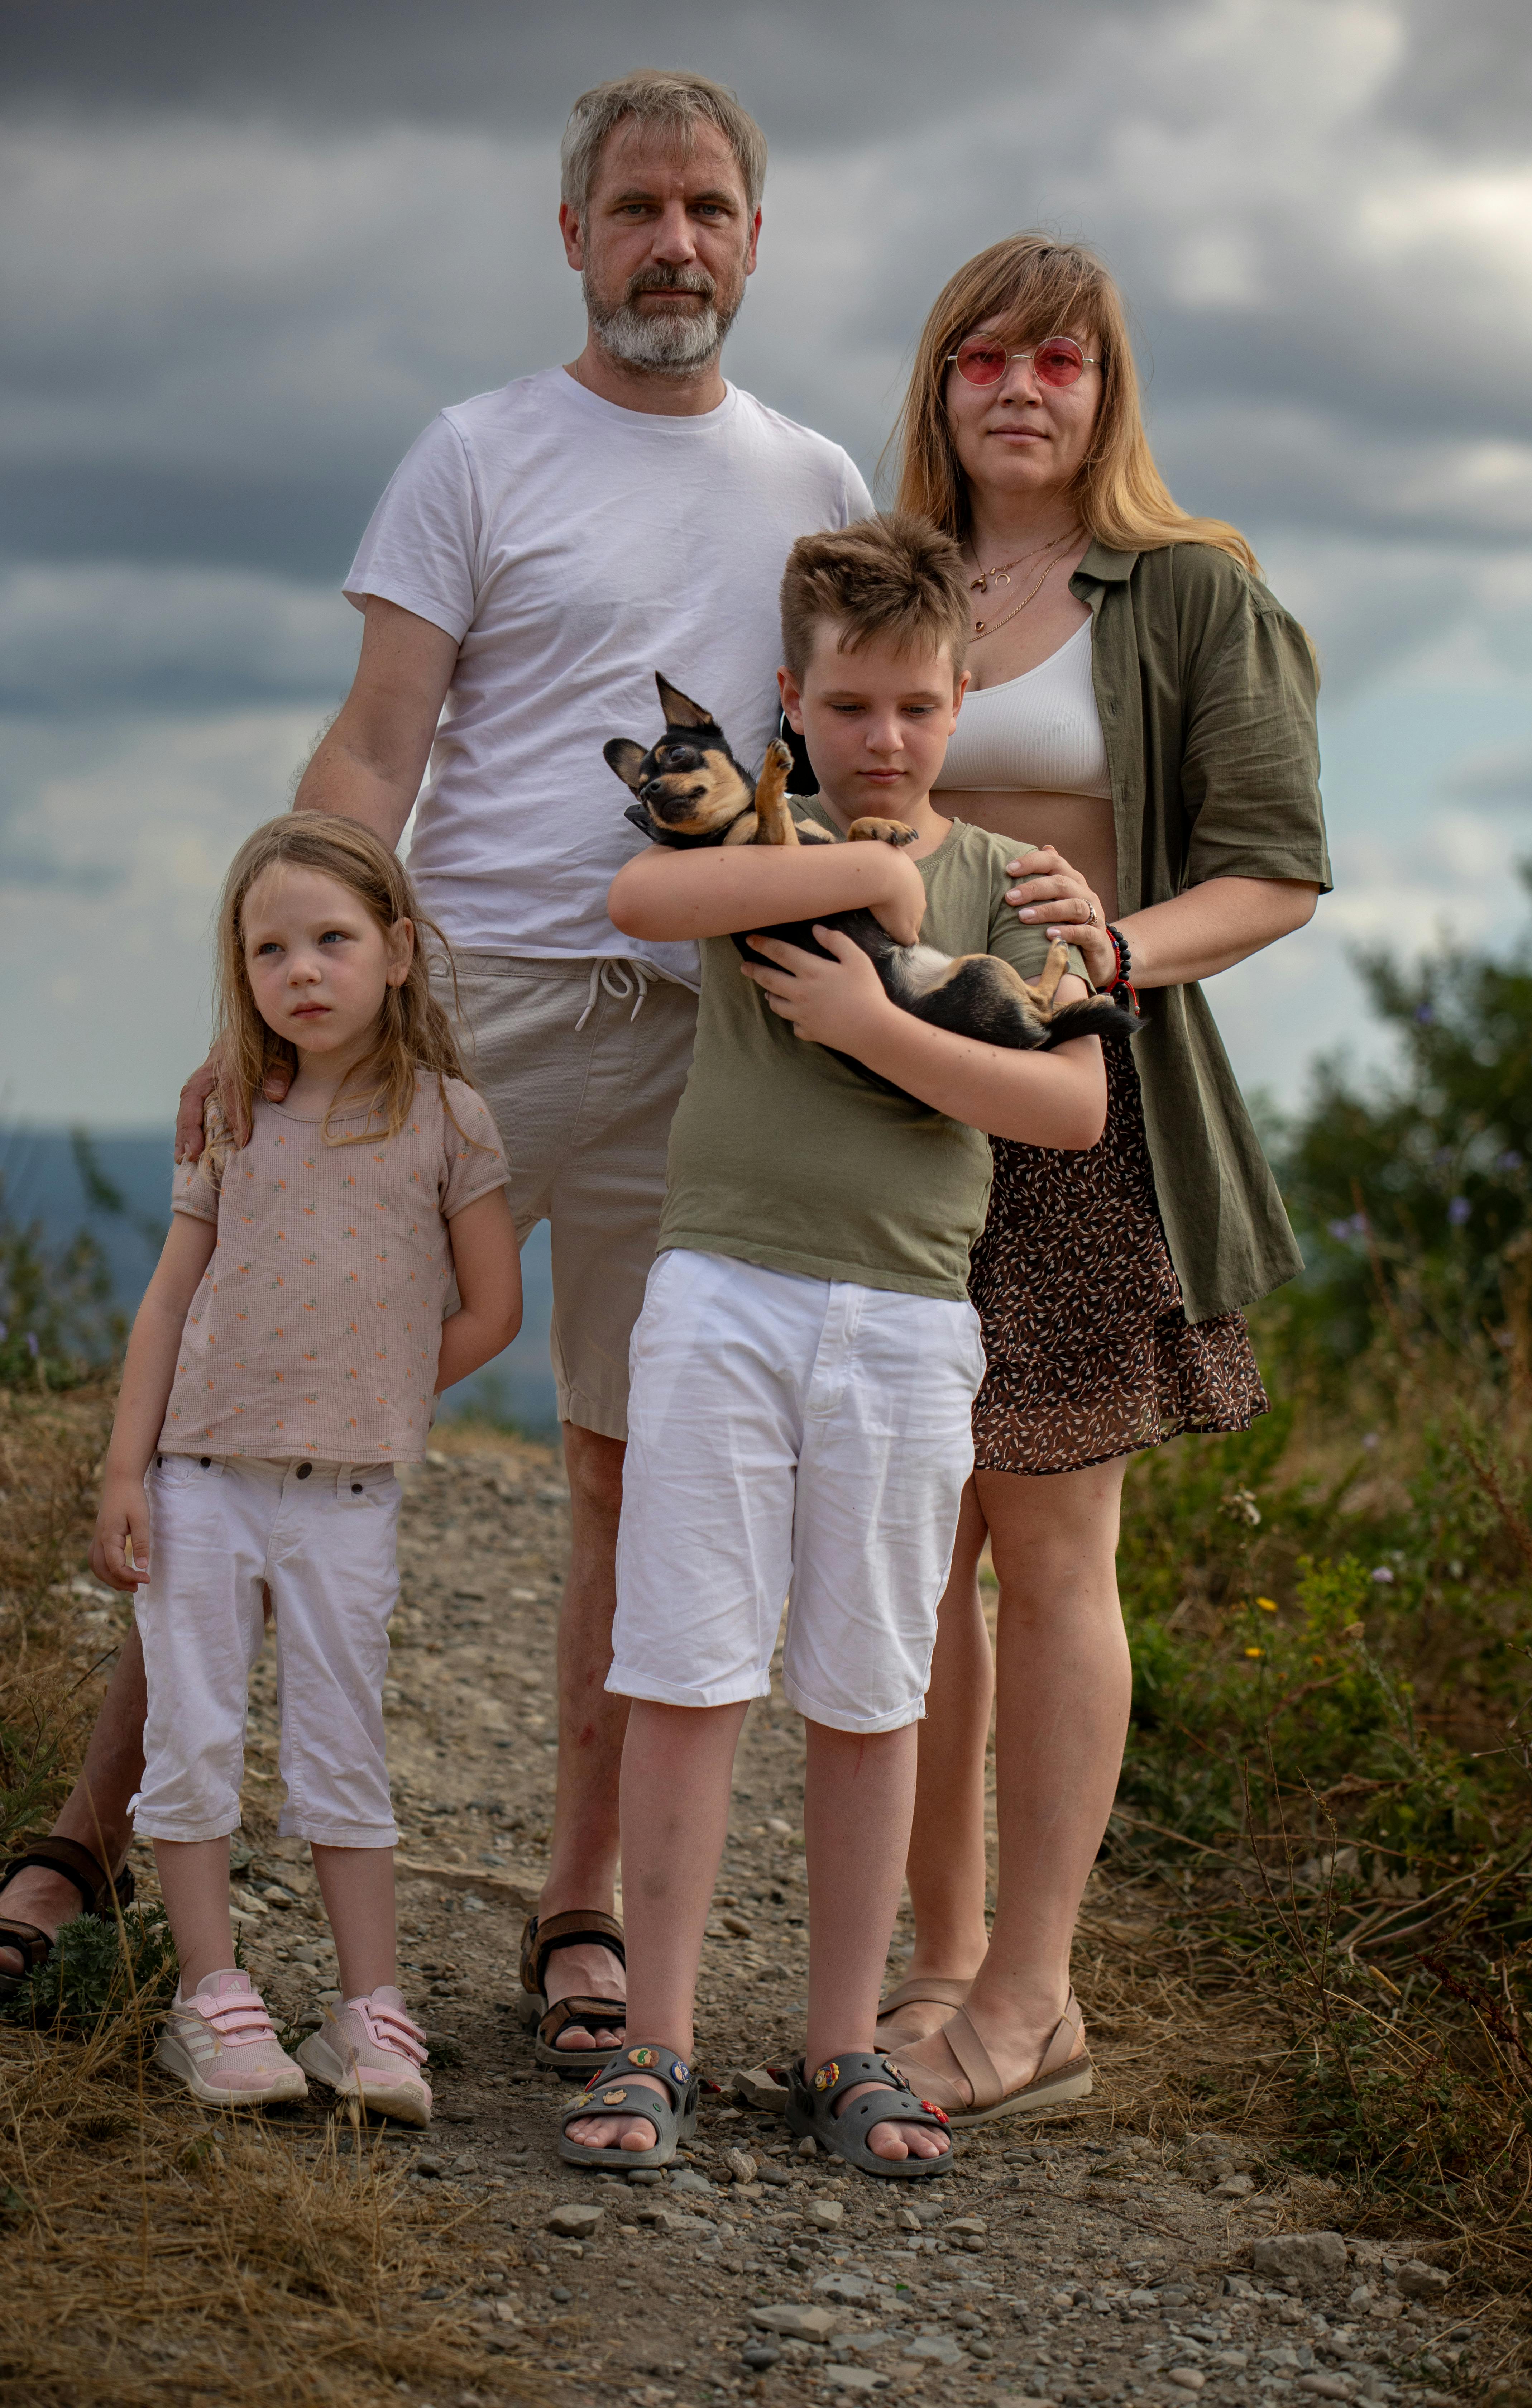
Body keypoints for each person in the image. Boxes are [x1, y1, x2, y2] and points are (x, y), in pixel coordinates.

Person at [0, 69, 873, 2051]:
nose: (676, 243)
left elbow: (852, 749)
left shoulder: (818, 480)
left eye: (710, 209)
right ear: (571, 236)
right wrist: (276, 1013)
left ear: (756, 238)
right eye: (638, 208)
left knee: (627, 1468)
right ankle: (90, 1832)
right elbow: (379, 745)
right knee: (248, 1406)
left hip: (717, 1033)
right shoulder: (477, 452)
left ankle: (579, 1909)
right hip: (465, 1014)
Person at [559, 513, 1115, 2179]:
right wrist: (869, 877)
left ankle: (835, 2050)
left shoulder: (1009, 888)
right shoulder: (771, 845)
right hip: (724, 1292)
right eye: (853, 706)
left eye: (918, 710)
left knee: (874, 1684)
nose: (886, 742)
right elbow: (641, 890)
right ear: (792, 703)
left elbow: (1073, 1105)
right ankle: (657, 2041)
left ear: (960, 703)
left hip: (901, 1317)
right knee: (685, 1666)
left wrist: (877, 1021)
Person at [869, 235, 1330, 2124]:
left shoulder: (1195, 589)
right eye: (984, 358)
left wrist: (1115, 952)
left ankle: (1037, 2000)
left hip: (1079, 1108)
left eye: (1060, 359)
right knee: (915, 1553)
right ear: (942, 385)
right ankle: (943, 1966)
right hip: (885, 1107)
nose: (1021, 388)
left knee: (1051, 1547)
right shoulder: (883, 581)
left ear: (1106, 385)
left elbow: (1279, 869)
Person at [88, 815, 521, 2118]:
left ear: (397, 951)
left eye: (333, 940)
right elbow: (169, 1302)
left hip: (345, 1496)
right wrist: (124, 1471)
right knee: (196, 1731)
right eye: (270, 949)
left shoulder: (448, 1117)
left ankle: (367, 2014)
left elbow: (492, 1310)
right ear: (244, 972)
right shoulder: (233, 1112)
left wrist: (373, 1390)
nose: (303, 971)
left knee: (343, 1741)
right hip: (201, 1478)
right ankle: (213, 2001)